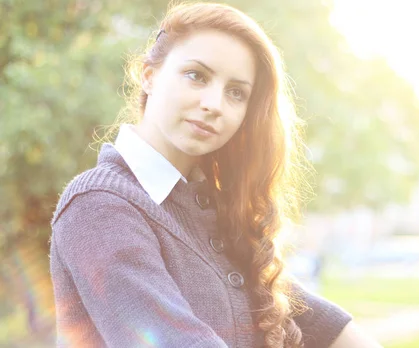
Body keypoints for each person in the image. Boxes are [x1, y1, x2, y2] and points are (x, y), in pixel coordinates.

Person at [49, 2, 381, 348]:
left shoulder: (213, 214)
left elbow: (321, 324)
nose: (215, 104)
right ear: (149, 75)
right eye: (197, 75)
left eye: (236, 93)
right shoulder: (98, 207)